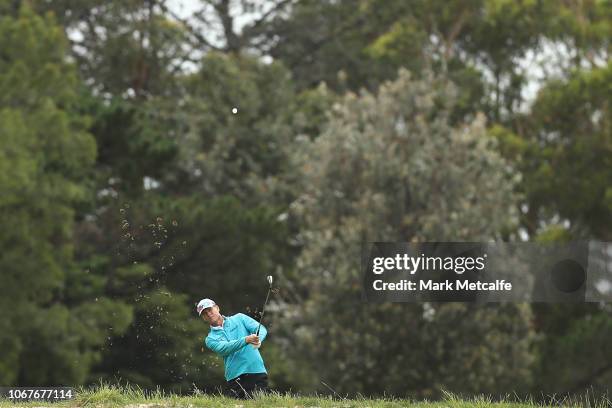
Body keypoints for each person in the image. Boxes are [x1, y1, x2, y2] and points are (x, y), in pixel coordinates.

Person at [197, 298, 269, 399]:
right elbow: (226, 348)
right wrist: (246, 340)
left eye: (210, 310)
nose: (208, 314)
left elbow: (261, 329)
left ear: (217, 308)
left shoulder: (239, 318)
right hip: (235, 377)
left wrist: (258, 339)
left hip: (255, 370)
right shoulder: (210, 339)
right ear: (204, 318)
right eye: (204, 313)